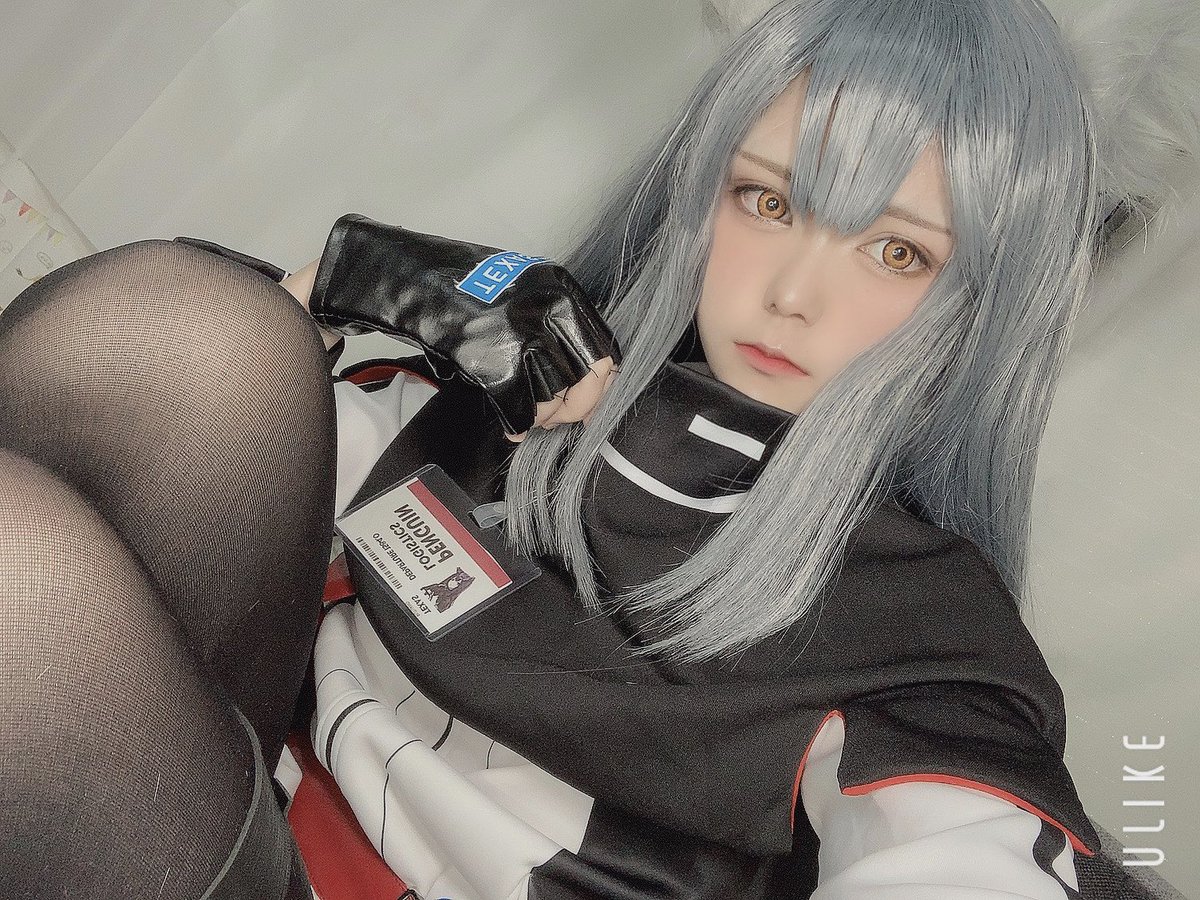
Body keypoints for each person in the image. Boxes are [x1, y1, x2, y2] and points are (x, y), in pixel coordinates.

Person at [0, 0, 1181, 897]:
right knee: (175, 344)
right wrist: (364, 280)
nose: (795, 294)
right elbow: (133, 426)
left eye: (897, 252)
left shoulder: (927, 643)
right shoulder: (528, 390)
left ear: (984, 313)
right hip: (198, 806)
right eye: (772, 202)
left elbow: (966, 856)